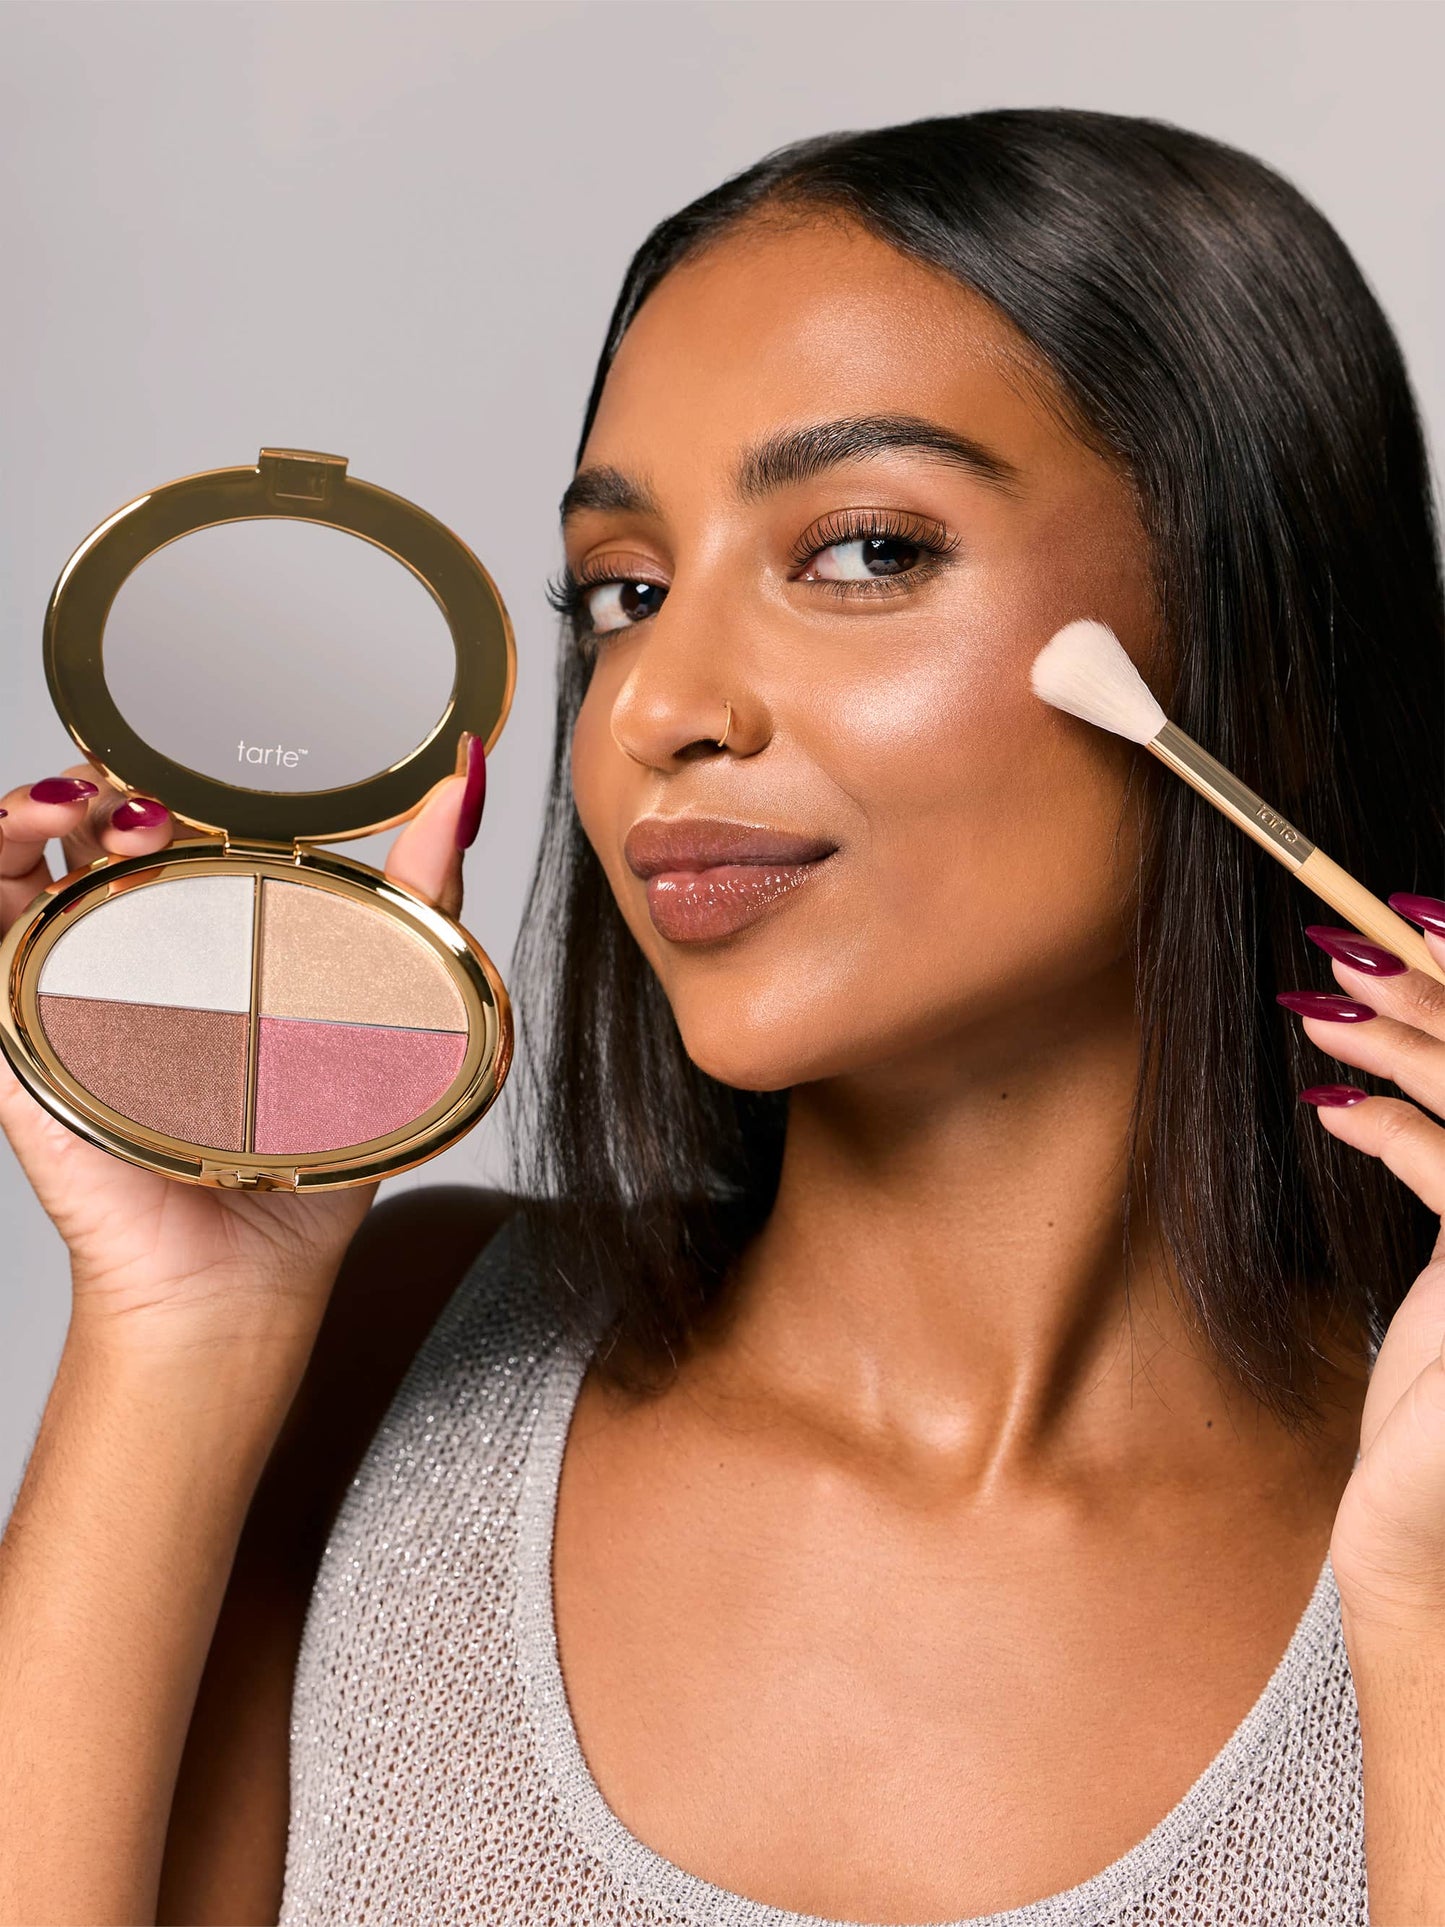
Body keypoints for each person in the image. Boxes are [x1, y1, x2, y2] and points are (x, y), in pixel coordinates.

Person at [3, 107, 1445, 1927]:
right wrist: (181, 1331)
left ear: (1252, 620)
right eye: (622, 589)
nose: (649, 707)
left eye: (859, 552)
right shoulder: (385, 1364)